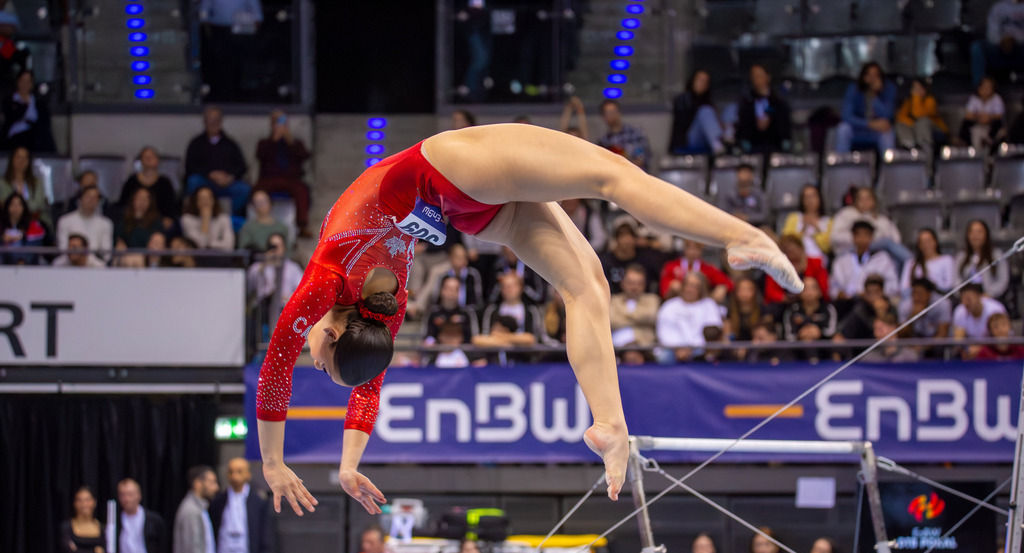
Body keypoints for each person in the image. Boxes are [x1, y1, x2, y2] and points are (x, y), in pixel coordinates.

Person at [252, 123, 801, 514]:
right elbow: (363, 384)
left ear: (330, 331)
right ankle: (610, 425)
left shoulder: (325, 279)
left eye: (320, 368)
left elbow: (276, 368)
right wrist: (349, 465)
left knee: (610, 177)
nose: (312, 364)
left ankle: (739, 236)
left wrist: (273, 463)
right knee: (587, 286)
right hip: (462, 207)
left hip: (449, 166)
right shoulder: (379, 313)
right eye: (320, 368)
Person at [210, 458, 275, 553]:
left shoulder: (258, 502)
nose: (235, 477)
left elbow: (265, 537)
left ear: (248, 475)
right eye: (231, 472)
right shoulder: (218, 502)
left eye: (239, 472)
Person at [184, 107, 250, 226]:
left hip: (227, 184)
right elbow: (190, 166)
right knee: (192, 181)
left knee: (244, 189)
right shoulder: (196, 143)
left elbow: (242, 167)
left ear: (221, 121)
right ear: (205, 121)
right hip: (205, 182)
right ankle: (195, 215)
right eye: (210, 119)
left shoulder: (231, 144)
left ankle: (225, 218)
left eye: (216, 119)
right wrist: (210, 174)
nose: (213, 122)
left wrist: (229, 177)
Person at [253, 110, 312, 234]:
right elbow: (260, 156)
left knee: (302, 189)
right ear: (272, 124)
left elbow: (304, 156)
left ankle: (302, 225)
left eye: (282, 121)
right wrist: (274, 140)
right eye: (277, 121)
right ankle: (255, 222)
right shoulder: (264, 143)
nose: (280, 125)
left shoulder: (295, 143)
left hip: (290, 179)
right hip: (269, 179)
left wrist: (290, 141)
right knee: (255, 190)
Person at [656, 272, 724, 363]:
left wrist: (691, 349)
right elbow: (664, 331)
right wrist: (678, 348)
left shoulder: (709, 304)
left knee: (711, 354)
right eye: (688, 285)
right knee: (663, 356)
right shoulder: (670, 305)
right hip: (673, 349)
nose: (690, 289)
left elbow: (712, 331)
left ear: (701, 289)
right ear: (683, 286)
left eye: (695, 286)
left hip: (700, 349)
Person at [830, 221, 900, 303]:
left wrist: (874, 293)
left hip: (872, 302)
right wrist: (838, 294)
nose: (862, 238)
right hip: (845, 303)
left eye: (866, 235)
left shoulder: (882, 259)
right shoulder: (841, 260)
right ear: (853, 236)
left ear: (872, 237)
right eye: (858, 235)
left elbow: (893, 286)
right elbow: (833, 287)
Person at [836, 62, 897, 154]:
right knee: (843, 128)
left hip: (877, 130)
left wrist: (875, 95)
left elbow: (887, 115)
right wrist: (869, 124)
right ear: (863, 77)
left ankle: (889, 165)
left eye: (876, 75)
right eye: (869, 75)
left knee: (887, 131)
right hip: (859, 128)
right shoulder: (854, 89)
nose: (872, 79)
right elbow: (846, 116)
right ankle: (842, 164)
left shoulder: (888, 88)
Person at [829, 187, 903, 259]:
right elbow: (835, 237)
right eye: (860, 199)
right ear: (855, 201)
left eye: (868, 199)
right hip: (850, 251)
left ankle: (909, 263)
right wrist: (860, 239)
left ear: (874, 201)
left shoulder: (882, 219)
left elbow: (896, 240)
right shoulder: (846, 214)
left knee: (889, 252)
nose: (864, 202)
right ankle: (910, 262)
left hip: (879, 254)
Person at [114, 478, 169, 553]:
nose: (126, 499)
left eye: (130, 494)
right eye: (123, 495)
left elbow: (163, 550)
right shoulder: (115, 522)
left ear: (138, 496)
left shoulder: (154, 521)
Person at [736, 64, 792, 156]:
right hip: (752, 148)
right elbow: (742, 127)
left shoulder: (777, 102)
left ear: (768, 76)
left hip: (774, 147)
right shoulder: (747, 102)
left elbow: (782, 122)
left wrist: (769, 116)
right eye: (754, 76)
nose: (756, 79)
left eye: (759, 75)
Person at [173, 465, 220, 553]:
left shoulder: (201, 508)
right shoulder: (191, 510)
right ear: (198, 483)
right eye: (212, 482)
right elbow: (192, 548)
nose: (216, 488)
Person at [600, 216, 664, 295]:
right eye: (622, 235)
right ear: (616, 238)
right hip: (614, 302)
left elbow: (657, 281)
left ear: (635, 238)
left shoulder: (646, 259)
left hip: (643, 301)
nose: (626, 240)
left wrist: (650, 243)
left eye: (630, 235)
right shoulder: (606, 261)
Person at [118, 146, 179, 230]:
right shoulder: (132, 181)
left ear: (157, 160)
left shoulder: (165, 182)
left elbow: (170, 206)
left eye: (151, 157)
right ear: (141, 161)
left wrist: (168, 218)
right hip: (135, 218)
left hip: (159, 221)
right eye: (146, 157)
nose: (149, 159)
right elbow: (123, 203)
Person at [668, 69, 725, 155]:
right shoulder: (683, 99)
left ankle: (725, 145)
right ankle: (718, 147)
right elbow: (683, 123)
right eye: (700, 80)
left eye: (706, 81)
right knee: (705, 112)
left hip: (705, 140)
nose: (703, 83)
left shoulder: (707, 101)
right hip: (686, 140)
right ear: (693, 81)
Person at [764, 235, 829, 309]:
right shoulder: (778, 266)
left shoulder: (815, 263)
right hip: (786, 303)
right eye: (788, 251)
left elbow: (823, 287)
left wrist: (811, 294)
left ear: (801, 248)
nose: (791, 254)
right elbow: (771, 291)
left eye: (793, 250)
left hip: (813, 300)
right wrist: (785, 298)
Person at [782, 276, 837, 361]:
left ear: (819, 292)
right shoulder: (792, 311)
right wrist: (800, 335)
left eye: (813, 288)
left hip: (823, 349)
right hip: (798, 351)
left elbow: (830, 331)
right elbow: (789, 336)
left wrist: (819, 333)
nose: (809, 292)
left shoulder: (828, 309)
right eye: (805, 288)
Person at [659, 239, 733, 302]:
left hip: (701, 305)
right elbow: (663, 291)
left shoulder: (707, 268)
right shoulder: (671, 266)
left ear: (701, 250)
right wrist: (672, 288)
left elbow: (729, 282)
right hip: (677, 304)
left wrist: (723, 287)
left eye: (696, 248)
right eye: (689, 247)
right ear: (684, 248)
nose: (692, 252)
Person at [970, 0, 1024, 87]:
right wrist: (1002, 41)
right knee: (977, 47)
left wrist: (1014, 40)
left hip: (1020, 48)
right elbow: (992, 34)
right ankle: (980, 90)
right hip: (999, 48)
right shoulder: (999, 7)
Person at [894, 79, 948, 163]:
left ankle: (928, 165)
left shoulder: (930, 100)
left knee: (922, 122)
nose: (917, 91)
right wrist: (912, 125)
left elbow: (918, 114)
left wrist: (916, 97)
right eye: (914, 88)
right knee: (900, 125)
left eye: (919, 88)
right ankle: (909, 146)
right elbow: (900, 117)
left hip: (933, 131)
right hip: (914, 133)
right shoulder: (908, 102)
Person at [955, 219, 1010, 300]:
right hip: (966, 299)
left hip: (990, 297)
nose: (975, 235)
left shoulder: (996, 254)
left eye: (979, 232)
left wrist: (990, 294)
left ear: (986, 234)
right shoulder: (961, 256)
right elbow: (955, 279)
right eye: (972, 232)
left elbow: (1003, 280)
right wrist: (964, 294)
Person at [1, 69, 54, 152]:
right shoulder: (9, 101)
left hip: (34, 137)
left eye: (28, 81)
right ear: (17, 82)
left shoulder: (38, 103)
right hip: (15, 136)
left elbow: (43, 122)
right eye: (23, 80)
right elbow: (12, 116)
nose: (25, 84)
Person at [610, 262, 661, 347]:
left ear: (644, 284)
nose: (634, 287)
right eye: (631, 283)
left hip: (645, 347)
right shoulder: (613, 300)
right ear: (622, 283)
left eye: (639, 283)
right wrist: (640, 321)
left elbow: (651, 316)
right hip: (617, 348)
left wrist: (623, 316)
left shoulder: (652, 299)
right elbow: (612, 321)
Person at [59, 485, 107, 553]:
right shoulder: (67, 527)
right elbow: (70, 552)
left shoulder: (103, 528)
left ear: (94, 502)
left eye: (87, 500)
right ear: (74, 503)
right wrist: (94, 552)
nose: (84, 504)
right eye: (79, 500)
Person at [953, 283, 1008, 359]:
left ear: (979, 297)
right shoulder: (960, 311)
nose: (965, 303)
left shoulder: (995, 309)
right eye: (962, 299)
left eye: (968, 299)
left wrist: (980, 349)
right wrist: (966, 350)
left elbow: (1002, 336)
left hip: (993, 351)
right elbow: (958, 340)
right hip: (971, 351)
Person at [480, 273, 544, 338]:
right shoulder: (492, 310)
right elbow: (484, 336)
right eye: (505, 286)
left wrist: (502, 336)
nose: (509, 289)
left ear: (521, 288)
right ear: (501, 289)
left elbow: (534, 338)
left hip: (523, 347)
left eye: (513, 285)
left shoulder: (531, 311)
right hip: (497, 347)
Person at [0, 146, 51, 228]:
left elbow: (39, 205)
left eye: (25, 158)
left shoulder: (37, 183)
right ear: (12, 159)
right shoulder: (2, 183)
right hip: (9, 223)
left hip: (36, 220)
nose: (21, 161)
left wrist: (18, 206)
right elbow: (4, 206)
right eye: (18, 157)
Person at [56, 185, 113, 257]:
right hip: (69, 263)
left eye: (95, 198)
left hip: (95, 265)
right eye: (88, 196)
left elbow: (106, 253)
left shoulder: (106, 223)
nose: (91, 200)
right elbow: (62, 249)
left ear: (98, 201)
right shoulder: (64, 221)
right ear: (80, 199)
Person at [248, 232, 303, 306]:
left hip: (285, 307)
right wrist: (265, 262)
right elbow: (249, 286)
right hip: (263, 309)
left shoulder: (293, 268)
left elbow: (302, 290)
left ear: (284, 247)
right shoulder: (259, 266)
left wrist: (289, 298)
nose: (276, 249)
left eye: (279, 246)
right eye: (273, 246)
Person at [898, 277, 952, 353]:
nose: (916, 297)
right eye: (914, 293)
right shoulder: (906, 305)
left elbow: (942, 334)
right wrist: (911, 318)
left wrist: (923, 347)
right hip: (915, 340)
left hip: (935, 343)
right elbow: (901, 336)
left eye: (920, 293)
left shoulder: (942, 304)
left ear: (929, 293)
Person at [597, 100, 653, 171]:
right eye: (608, 112)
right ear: (603, 116)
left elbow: (643, 158)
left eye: (613, 111)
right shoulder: (603, 140)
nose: (612, 115)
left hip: (637, 176)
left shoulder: (635, 132)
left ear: (619, 112)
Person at [781, 184, 831, 263]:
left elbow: (827, 247)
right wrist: (803, 229)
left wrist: (817, 228)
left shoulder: (828, 221)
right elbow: (787, 241)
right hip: (797, 262)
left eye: (813, 196)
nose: (810, 200)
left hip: (819, 262)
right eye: (806, 197)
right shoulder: (794, 218)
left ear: (819, 198)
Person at [424, 275, 480, 344]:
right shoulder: (433, 313)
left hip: (462, 352)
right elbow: (427, 337)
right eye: (448, 289)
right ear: (442, 290)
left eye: (455, 290)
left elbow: (474, 338)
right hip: (438, 352)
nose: (451, 293)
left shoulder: (467, 313)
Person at [900, 228, 955, 296]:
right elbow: (904, 287)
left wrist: (931, 285)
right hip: (915, 297)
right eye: (922, 242)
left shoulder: (947, 260)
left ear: (935, 242)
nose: (925, 245)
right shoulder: (911, 263)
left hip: (938, 296)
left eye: (928, 241)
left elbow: (949, 284)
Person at [181, 186, 235, 251]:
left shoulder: (224, 218)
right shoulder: (187, 219)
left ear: (214, 200)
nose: (205, 201)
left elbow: (229, 246)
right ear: (195, 201)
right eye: (201, 198)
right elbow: (200, 245)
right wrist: (205, 219)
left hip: (219, 256)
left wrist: (209, 244)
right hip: (197, 257)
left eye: (208, 198)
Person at [958, 77, 1005, 150]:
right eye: (984, 86)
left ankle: (992, 145)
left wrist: (989, 118)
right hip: (978, 122)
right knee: (966, 123)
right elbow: (968, 114)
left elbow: (999, 115)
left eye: (988, 87)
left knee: (998, 123)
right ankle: (966, 147)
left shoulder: (996, 98)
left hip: (991, 123)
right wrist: (978, 118)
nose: (986, 89)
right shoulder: (974, 98)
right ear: (979, 88)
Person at [1, 192, 47, 265]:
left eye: (19, 204)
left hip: (27, 264)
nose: (16, 208)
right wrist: (2, 239)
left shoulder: (32, 225)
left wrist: (23, 261)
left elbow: (35, 247)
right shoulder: (1, 226)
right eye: (13, 204)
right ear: (7, 207)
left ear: (24, 207)